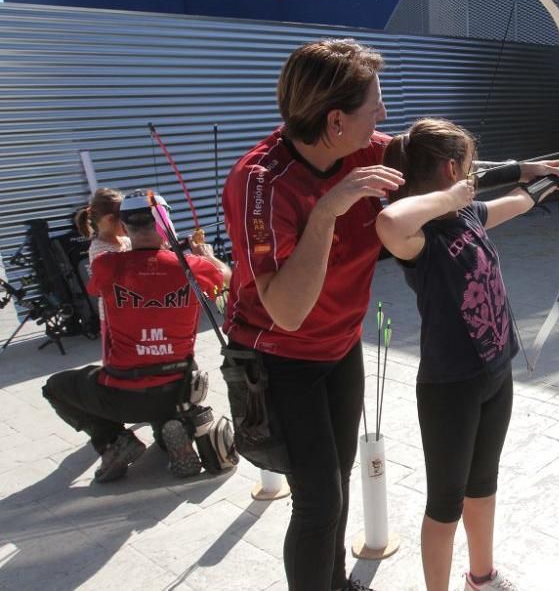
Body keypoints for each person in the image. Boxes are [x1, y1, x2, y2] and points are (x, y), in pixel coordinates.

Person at [221, 38, 403, 591]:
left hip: (340, 345)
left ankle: (337, 583)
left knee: (337, 486)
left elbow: (446, 164)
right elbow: (288, 310)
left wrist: (536, 175)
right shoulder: (260, 182)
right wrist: (327, 209)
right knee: (318, 501)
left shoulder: (366, 148)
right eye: (373, 106)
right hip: (280, 359)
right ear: (334, 121)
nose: (384, 115)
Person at [376, 118, 559, 591]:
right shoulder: (421, 237)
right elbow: (388, 221)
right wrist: (456, 195)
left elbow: (516, 201)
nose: (473, 176)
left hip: (494, 372)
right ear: (452, 171)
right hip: (450, 387)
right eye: (467, 170)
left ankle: (482, 577)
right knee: (445, 505)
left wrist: (555, 179)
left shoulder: (466, 216)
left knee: (483, 486)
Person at [42, 189, 230, 483]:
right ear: (165, 223)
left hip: (121, 393)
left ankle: (113, 441)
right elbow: (226, 277)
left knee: (56, 386)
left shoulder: (106, 265)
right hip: (177, 390)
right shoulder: (194, 267)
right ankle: (175, 430)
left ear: (124, 226)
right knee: (165, 410)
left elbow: (99, 281)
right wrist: (207, 255)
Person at [75, 187, 131, 264]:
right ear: (109, 219)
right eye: (125, 218)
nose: (129, 222)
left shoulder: (126, 241)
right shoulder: (100, 252)